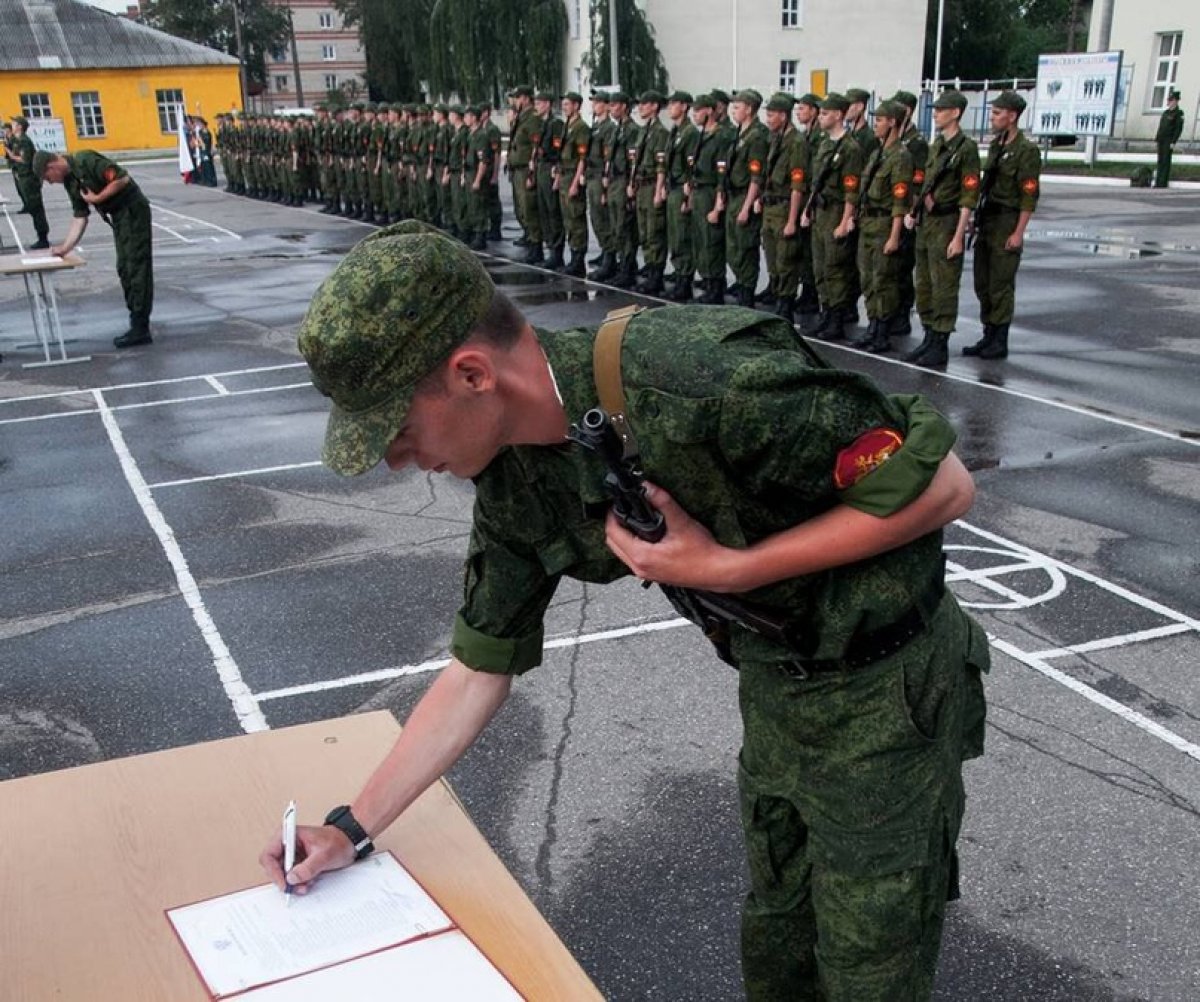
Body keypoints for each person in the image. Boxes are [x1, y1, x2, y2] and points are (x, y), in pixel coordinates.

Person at [268, 220, 989, 1002]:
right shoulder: (514, 480)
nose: (396, 460)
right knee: (780, 948)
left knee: (868, 967)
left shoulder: (704, 376)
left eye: (398, 430)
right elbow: (479, 667)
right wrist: (349, 828)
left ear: (473, 373)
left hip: (891, 688)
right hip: (779, 688)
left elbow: (944, 486)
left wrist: (729, 567)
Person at [33, 149, 154, 348]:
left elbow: (122, 179)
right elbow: (80, 216)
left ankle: (140, 327)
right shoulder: (71, 182)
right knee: (124, 268)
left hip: (132, 210)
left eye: (48, 177)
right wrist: (64, 248)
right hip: (120, 217)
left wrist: (98, 199)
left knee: (135, 266)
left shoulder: (85, 160)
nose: (50, 182)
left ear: (52, 166)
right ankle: (137, 320)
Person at [904, 90, 980, 369]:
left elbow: (968, 196)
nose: (935, 113)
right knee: (924, 283)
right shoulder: (937, 145)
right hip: (928, 222)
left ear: (955, 113)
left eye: (941, 109)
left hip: (948, 223)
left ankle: (941, 342)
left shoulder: (966, 149)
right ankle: (928, 335)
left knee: (944, 285)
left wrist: (959, 236)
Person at [966, 90, 1040, 361]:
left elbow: (1029, 195)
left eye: (997, 114)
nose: (993, 118)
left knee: (1001, 284)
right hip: (989, 220)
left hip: (1008, 221)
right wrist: (976, 220)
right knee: (982, 282)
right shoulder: (998, 146)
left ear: (1012, 116)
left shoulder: (1026, 151)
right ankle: (988, 334)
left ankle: (999, 339)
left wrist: (1018, 232)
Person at [849, 101, 913, 355]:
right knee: (867, 278)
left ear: (893, 123)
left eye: (880, 120)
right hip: (868, 222)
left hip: (886, 223)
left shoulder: (901, 156)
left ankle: (883, 331)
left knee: (883, 279)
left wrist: (895, 235)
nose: (876, 124)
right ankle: (873, 325)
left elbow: (900, 200)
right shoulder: (878, 154)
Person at [802, 93, 864, 342]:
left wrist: (845, 221)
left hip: (837, 211)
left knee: (835, 267)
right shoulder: (825, 144)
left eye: (826, 113)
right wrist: (808, 210)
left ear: (839, 115)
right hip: (820, 210)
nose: (821, 117)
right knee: (820, 267)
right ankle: (826, 313)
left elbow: (851, 190)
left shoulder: (850, 148)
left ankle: (836, 318)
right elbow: (815, 183)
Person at [717, 89, 769, 308]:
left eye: (737, 107)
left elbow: (756, 177)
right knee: (734, 248)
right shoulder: (742, 133)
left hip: (745, 195)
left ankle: (746, 292)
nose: (733, 111)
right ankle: (741, 283)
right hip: (734, 194)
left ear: (749, 109)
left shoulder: (757, 136)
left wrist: (747, 207)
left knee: (745, 247)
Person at [760, 92, 807, 325]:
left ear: (783, 115)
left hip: (785, 208)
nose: (768, 119)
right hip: (771, 207)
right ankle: (777, 296)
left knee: (786, 260)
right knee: (772, 260)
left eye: (771, 115)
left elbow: (797, 186)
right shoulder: (776, 139)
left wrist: (792, 220)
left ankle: (785, 304)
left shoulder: (796, 143)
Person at [556, 91, 590, 277]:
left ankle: (578, 260)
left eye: (568, 104)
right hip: (565, 176)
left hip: (573, 177)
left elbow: (582, 159)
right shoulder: (567, 126)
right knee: (568, 219)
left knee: (576, 218)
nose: (564, 107)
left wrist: (576, 182)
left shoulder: (581, 128)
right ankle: (573, 256)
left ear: (577, 106)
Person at [8, 116, 50, 249]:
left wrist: (11, 154)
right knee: (32, 208)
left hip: (29, 178)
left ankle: (43, 238)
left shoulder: (25, 141)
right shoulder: (18, 140)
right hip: (23, 177)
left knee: (36, 208)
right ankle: (41, 235)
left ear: (20, 126)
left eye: (14, 124)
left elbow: (24, 159)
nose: (12, 125)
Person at [1154, 90, 1184, 189]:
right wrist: (1157, 138)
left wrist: (1173, 141)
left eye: (1171, 100)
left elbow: (1178, 129)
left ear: (1176, 101)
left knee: (1166, 161)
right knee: (1160, 160)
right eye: (1169, 100)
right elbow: (1161, 127)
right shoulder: (1166, 112)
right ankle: (1158, 182)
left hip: (1168, 140)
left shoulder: (1179, 113)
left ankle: (1163, 182)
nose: (1169, 102)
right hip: (1161, 139)